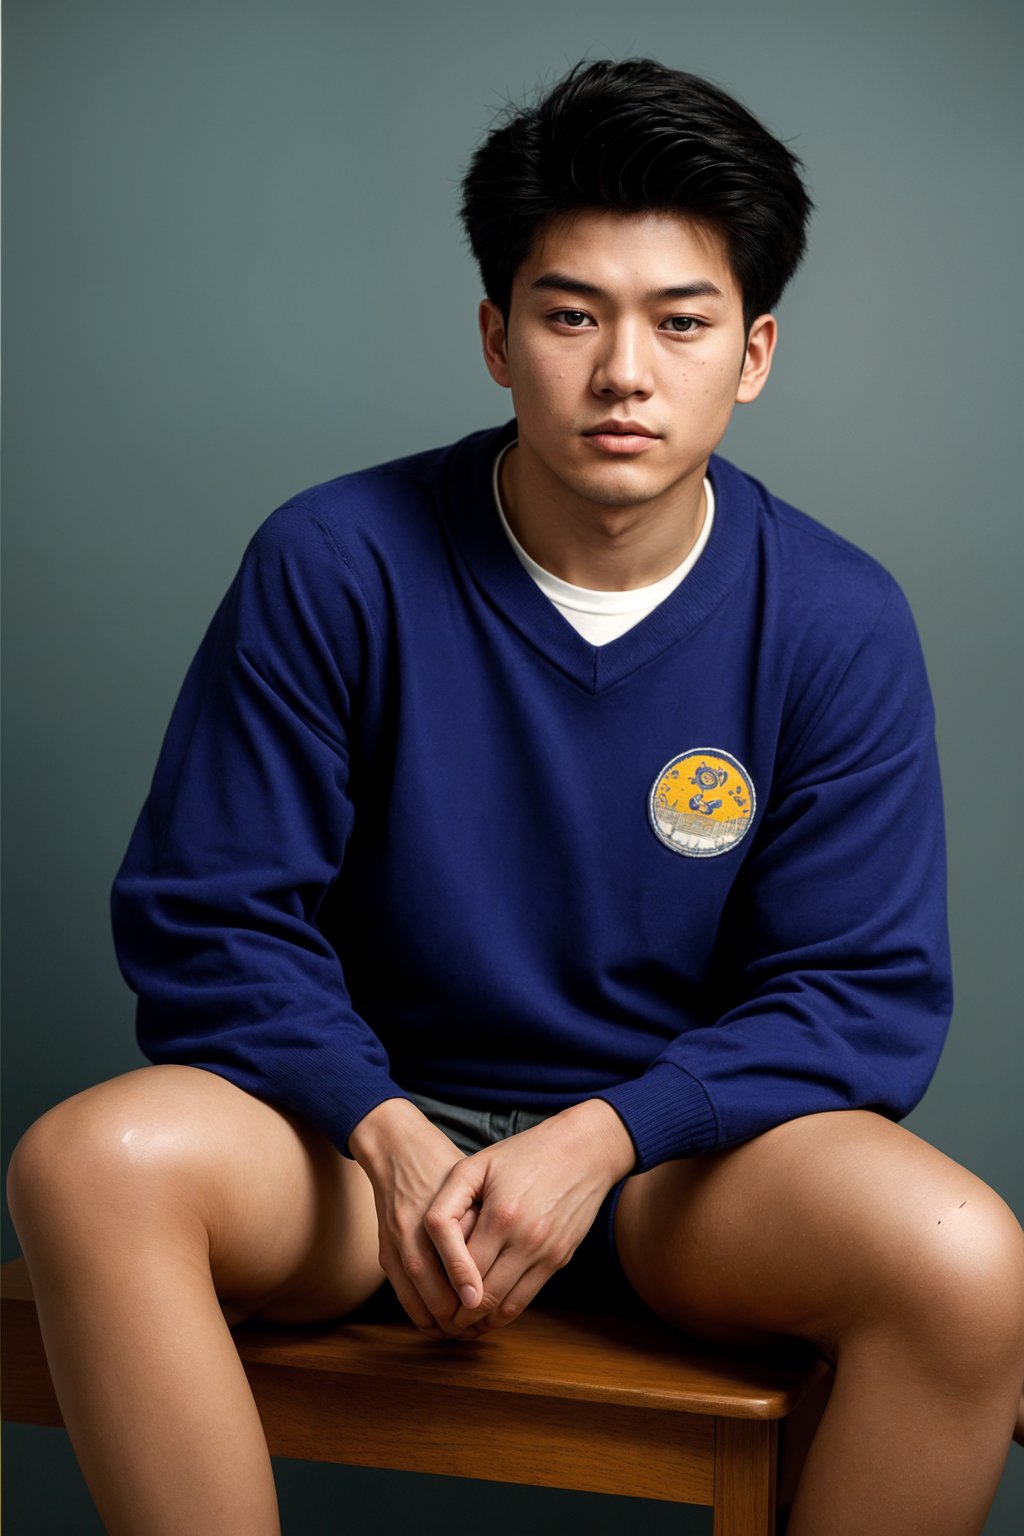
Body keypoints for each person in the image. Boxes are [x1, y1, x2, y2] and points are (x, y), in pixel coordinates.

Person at [7, 57, 1023, 1536]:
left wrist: (609, 1133)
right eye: (570, 316)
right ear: (497, 336)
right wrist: (385, 1125)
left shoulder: (836, 617)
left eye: (682, 323)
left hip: (683, 1175)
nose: (625, 372)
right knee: (85, 1165)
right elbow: (210, 914)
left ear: (753, 352)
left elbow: (857, 994)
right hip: (353, 1159)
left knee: (965, 1255)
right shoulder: (336, 559)